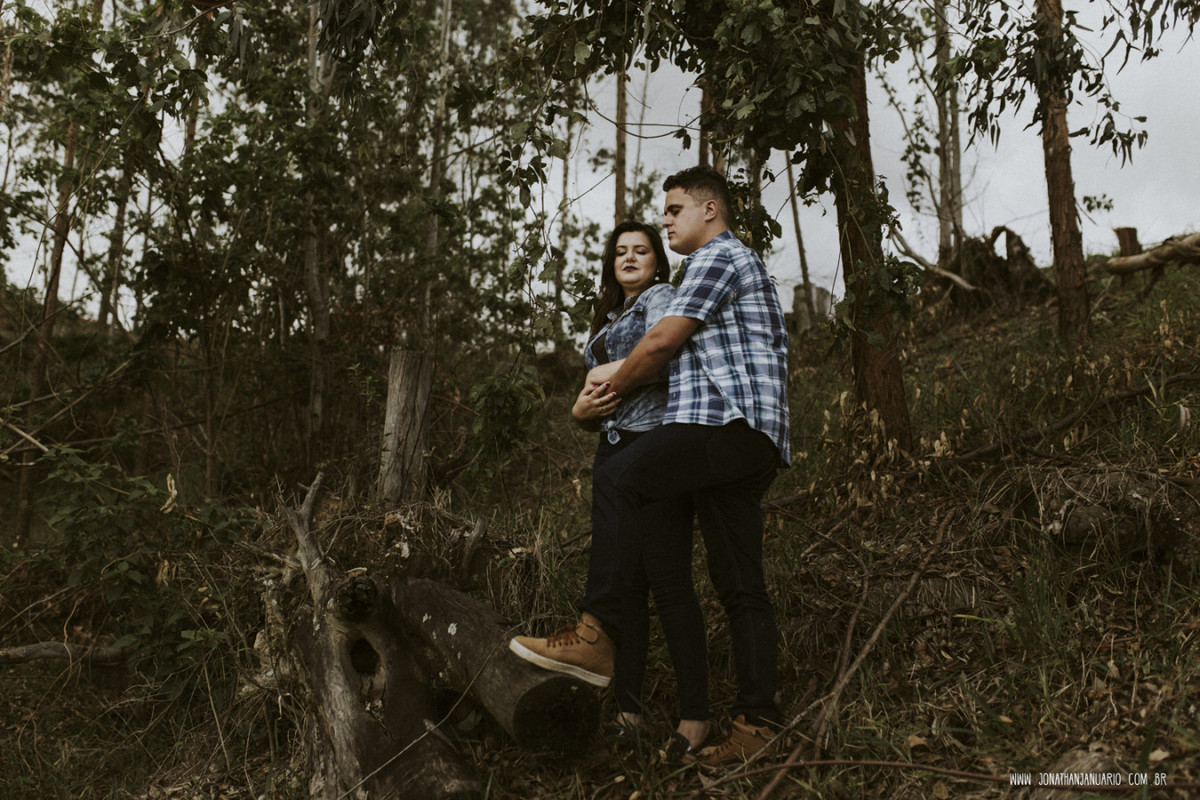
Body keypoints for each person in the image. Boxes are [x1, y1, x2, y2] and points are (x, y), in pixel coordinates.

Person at [520, 166, 791, 766]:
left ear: (710, 210)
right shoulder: (712, 268)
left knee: (620, 475)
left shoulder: (718, 257)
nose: (666, 219)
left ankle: (597, 633)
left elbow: (663, 342)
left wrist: (601, 379)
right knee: (739, 581)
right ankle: (758, 722)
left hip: (731, 428)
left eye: (673, 210)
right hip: (741, 442)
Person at [509, 220, 711, 759]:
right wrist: (578, 412)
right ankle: (628, 712)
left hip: (655, 445)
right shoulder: (606, 316)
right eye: (620, 251)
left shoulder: (663, 297)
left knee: (667, 580)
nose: (629, 258)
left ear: (656, 261)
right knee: (628, 583)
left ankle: (695, 714)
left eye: (641, 250)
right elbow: (590, 397)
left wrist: (603, 375)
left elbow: (664, 358)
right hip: (613, 449)